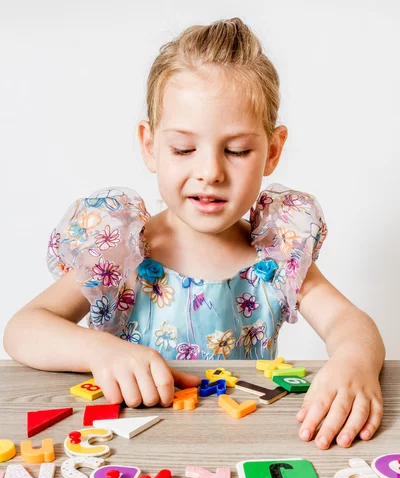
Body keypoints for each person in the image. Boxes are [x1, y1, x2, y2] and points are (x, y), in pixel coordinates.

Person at [3, 18, 385, 450]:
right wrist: (99, 351)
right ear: (149, 145)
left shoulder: (276, 258)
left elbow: (350, 324)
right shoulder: (118, 251)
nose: (210, 172)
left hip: (241, 449)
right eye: (184, 149)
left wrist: (354, 361)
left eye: (237, 151)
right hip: (124, 451)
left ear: (272, 151)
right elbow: (23, 329)